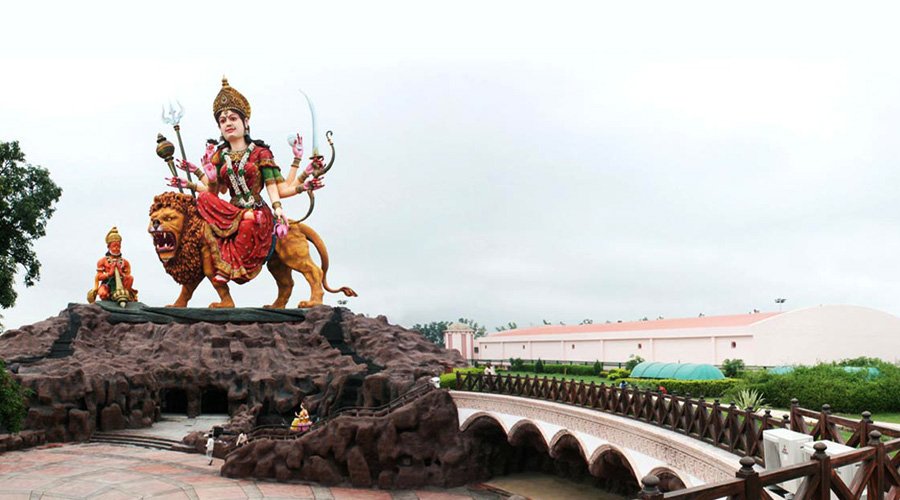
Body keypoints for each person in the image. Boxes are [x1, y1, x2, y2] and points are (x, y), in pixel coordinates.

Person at [167, 77, 324, 285]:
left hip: (256, 210)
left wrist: (283, 204)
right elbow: (215, 193)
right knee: (203, 200)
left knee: (250, 219)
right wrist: (204, 177)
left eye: (233, 118)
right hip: (232, 212)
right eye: (223, 121)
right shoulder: (219, 156)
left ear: (245, 122)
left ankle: (230, 267)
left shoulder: (260, 152)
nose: (228, 123)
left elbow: (275, 187)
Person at [88, 227, 138, 303]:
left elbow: (128, 276)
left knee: (130, 278)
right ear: (109, 247)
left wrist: (121, 273)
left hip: (122, 285)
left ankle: (125, 295)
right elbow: (98, 277)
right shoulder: (103, 261)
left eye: (118, 246)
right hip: (108, 283)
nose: (116, 248)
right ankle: (109, 298)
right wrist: (109, 273)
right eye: (114, 246)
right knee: (102, 293)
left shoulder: (125, 262)